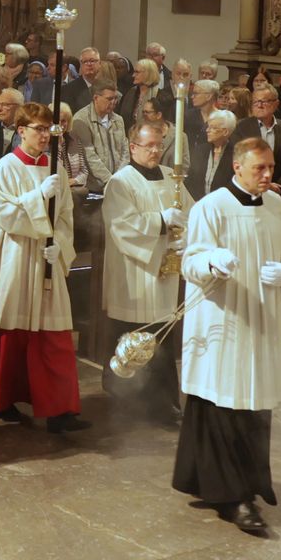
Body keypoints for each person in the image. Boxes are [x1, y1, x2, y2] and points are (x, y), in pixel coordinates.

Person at [175, 137, 281, 537]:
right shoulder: (211, 206)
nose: (268, 175)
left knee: (254, 402)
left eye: (271, 167)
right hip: (223, 321)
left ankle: (245, 481)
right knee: (223, 402)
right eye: (259, 168)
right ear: (237, 168)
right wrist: (211, 259)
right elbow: (189, 261)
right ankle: (233, 498)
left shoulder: (277, 206)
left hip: (262, 318)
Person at [0, 103, 85, 433]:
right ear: (21, 131)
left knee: (54, 335)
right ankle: (1, 401)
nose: (45, 136)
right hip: (13, 256)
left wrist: (57, 244)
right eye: (38, 129)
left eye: (49, 130)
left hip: (45, 257)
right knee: (10, 334)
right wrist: (37, 198)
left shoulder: (56, 169)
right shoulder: (5, 167)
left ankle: (60, 408)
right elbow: (3, 216)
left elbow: (65, 216)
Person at [101, 122, 185, 422]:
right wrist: (162, 220)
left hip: (163, 273)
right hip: (135, 273)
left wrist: (184, 232)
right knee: (133, 338)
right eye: (149, 146)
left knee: (161, 339)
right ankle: (126, 403)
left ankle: (163, 405)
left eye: (159, 145)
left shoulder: (169, 177)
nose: (155, 151)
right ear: (132, 146)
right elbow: (122, 227)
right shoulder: (120, 182)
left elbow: (187, 211)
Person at [231, 87, 281, 190]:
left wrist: (280, 184)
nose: (259, 105)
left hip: (279, 190)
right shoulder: (241, 127)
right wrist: (264, 183)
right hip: (250, 188)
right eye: (255, 102)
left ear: (276, 104)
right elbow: (235, 159)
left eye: (264, 101)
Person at [68, 79, 126, 193]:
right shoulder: (81, 120)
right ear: (96, 98)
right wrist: (110, 180)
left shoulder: (118, 120)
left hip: (118, 183)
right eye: (109, 99)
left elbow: (125, 151)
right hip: (94, 186)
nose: (114, 102)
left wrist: (120, 178)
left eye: (115, 98)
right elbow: (89, 156)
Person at [188, 110, 237, 200]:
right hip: (197, 203)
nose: (207, 130)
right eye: (208, 127)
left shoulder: (236, 154)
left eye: (212, 128)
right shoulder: (199, 150)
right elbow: (190, 180)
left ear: (225, 132)